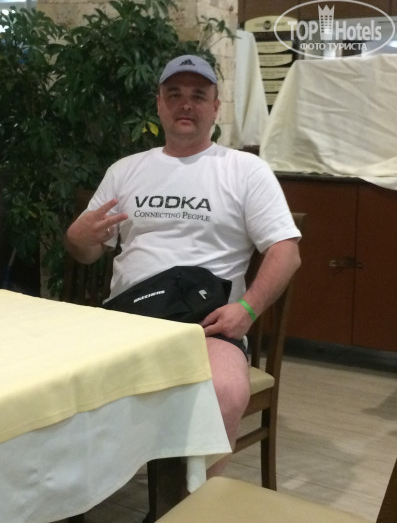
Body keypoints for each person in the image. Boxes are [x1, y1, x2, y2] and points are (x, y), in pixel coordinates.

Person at [64, 54, 301, 474]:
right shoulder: (125, 171)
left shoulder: (246, 170)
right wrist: (78, 239)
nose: (185, 104)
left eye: (198, 95)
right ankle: (87, 489)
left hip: (206, 325)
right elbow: (87, 252)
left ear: (216, 107)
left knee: (224, 389)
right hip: (126, 319)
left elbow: (286, 251)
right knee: (54, 379)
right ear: (159, 105)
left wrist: (247, 310)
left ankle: (198, 501)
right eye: (174, 94)